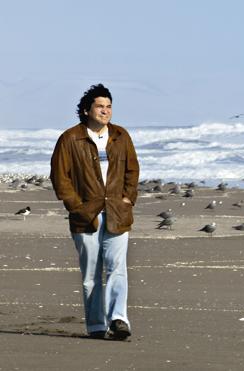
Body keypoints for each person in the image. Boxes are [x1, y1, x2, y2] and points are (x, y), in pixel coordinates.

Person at [50, 84, 139, 340]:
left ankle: (119, 320)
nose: (105, 111)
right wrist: (76, 206)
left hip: (117, 212)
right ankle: (97, 326)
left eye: (109, 106)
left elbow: (132, 170)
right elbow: (60, 177)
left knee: (117, 268)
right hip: (86, 215)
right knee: (91, 274)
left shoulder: (121, 136)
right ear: (87, 109)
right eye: (100, 106)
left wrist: (128, 198)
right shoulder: (70, 138)